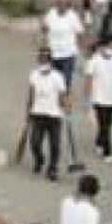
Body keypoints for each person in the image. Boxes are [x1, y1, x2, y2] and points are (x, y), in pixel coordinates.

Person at [25, 48, 69, 180]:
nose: (43, 61)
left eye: (46, 59)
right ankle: (39, 159)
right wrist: (28, 111)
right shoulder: (33, 75)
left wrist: (65, 106)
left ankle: (53, 168)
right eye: (41, 58)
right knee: (34, 142)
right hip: (37, 113)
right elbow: (31, 94)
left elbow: (62, 95)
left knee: (55, 144)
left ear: (50, 61)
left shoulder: (58, 77)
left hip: (54, 115)